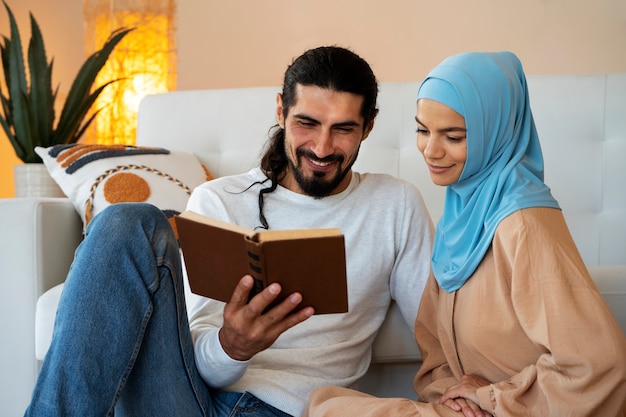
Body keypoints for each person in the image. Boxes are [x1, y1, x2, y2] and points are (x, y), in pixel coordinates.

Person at [24, 46, 434, 417]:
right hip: (188, 401)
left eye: (343, 129)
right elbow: (199, 357)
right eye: (306, 123)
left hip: (290, 410)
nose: (322, 148)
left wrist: (462, 384)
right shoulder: (219, 200)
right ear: (280, 111)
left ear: (368, 126)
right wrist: (232, 345)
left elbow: (436, 329)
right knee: (127, 222)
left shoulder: (394, 204)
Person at [304, 51, 626, 417]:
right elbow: (435, 349)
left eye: (453, 136)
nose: (431, 150)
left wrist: (493, 399)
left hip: (518, 410)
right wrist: (451, 395)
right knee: (324, 403)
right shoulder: (459, 219)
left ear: (495, 133)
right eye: (423, 130)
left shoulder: (522, 222)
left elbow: (600, 365)